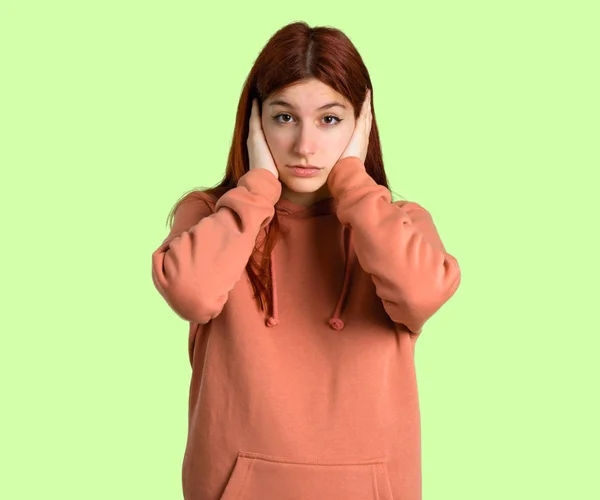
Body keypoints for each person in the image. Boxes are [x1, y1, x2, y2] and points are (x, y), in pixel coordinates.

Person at [151, 21, 461, 500]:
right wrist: (255, 189)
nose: (304, 147)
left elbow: (420, 295)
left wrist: (356, 186)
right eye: (284, 117)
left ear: (361, 125)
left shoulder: (398, 224)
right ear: (254, 122)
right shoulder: (212, 216)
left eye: (330, 120)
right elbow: (191, 294)